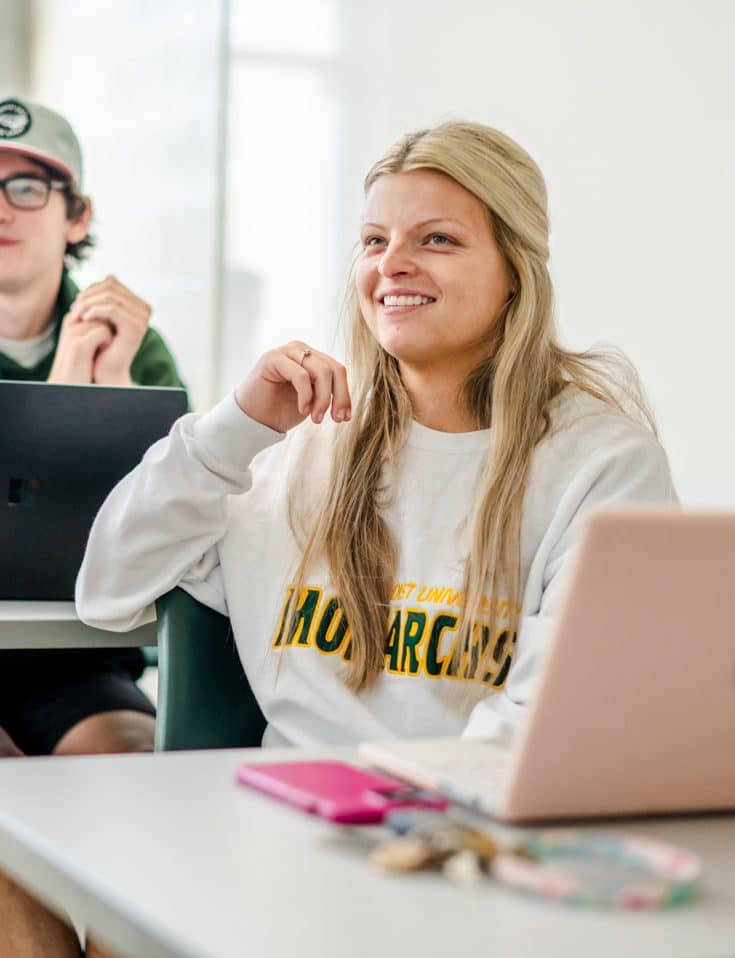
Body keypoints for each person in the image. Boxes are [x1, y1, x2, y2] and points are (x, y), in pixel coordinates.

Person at [77, 120, 676, 753]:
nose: (392, 265)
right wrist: (233, 428)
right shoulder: (289, 445)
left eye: (437, 239)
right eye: (373, 240)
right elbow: (108, 591)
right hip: (280, 822)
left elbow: (550, 725)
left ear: (515, 275)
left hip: (465, 831)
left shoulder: (605, 465)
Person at [0, 96, 186, 958]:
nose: (3, 208)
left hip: (75, 656)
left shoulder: (136, 347)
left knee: (136, 779)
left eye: (28, 187)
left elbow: (170, 530)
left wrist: (93, 392)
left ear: (78, 217)